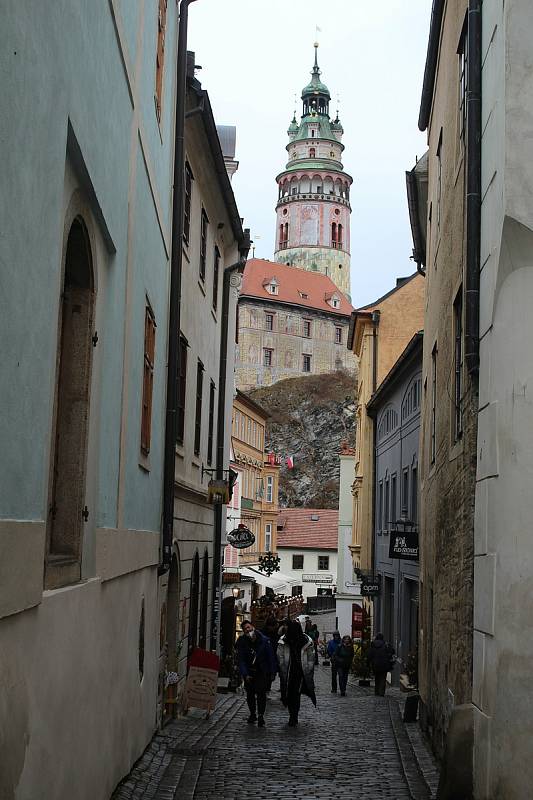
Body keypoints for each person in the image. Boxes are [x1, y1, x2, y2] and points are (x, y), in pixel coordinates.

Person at [236, 619, 277, 726]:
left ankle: (260, 715)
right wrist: (245, 674)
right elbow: (241, 659)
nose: (247, 630)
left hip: (261, 671)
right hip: (249, 672)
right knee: (250, 694)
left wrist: (272, 672)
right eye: (245, 629)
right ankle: (252, 713)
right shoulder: (242, 642)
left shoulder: (264, 640)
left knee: (261, 694)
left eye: (248, 627)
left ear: (252, 627)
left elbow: (271, 657)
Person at [277, 619, 317, 726]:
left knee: (295, 694)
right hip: (288, 671)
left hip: (300, 672)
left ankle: (294, 716)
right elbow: (280, 655)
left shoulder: (305, 641)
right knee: (289, 694)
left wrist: (307, 668)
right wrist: (282, 666)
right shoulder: (284, 640)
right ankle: (292, 714)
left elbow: (311, 657)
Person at [367, 632, 395, 696]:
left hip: (375, 664)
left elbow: (370, 654)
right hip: (384, 664)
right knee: (383, 678)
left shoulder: (373, 644)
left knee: (377, 678)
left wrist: (368, 663)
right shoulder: (386, 644)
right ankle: (381, 692)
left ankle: (376, 691)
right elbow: (392, 651)